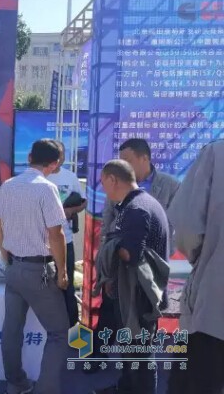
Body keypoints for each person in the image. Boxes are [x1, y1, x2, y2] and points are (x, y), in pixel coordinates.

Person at [0, 139, 69, 394]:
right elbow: (56, 234)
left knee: (12, 330)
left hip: (14, 267)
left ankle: (15, 383)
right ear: (55, 163)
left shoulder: (8, 185)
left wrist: (6, 257)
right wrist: (63, 272)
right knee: (59, 332)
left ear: (29, 157)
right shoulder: (47, 189)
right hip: (39, 271)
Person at [99, 159, 169, 394]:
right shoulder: (140, 203)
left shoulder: (136, 209)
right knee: (131, 351)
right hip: (135, 292)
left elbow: (130, 254)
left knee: (140, 355)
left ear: (113, 180)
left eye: (103, 183)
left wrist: (110, 246)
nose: (104, 190)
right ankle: (126, 388)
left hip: (138, 297)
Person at [166, 140, 224, 394]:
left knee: (198, 379)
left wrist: (205, 260)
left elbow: (187, 229)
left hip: (214, 307)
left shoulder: (216, 154)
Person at [102, 138, 179, 242]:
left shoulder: (171, 186)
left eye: (127, 161)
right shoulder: (116, 184)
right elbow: (106, 223)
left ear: (144, 158)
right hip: (120, 248)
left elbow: (175, 225)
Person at [47, 141, 87, 327]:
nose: (60, 158)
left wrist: (72, 210)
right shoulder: (40, 177)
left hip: (66, 240)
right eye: (57, 154)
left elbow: (83, 201)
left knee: (66, 285)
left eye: (62, 154)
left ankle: (72, 330)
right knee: (45, 288)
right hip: (41, 243)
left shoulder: (70, 177)